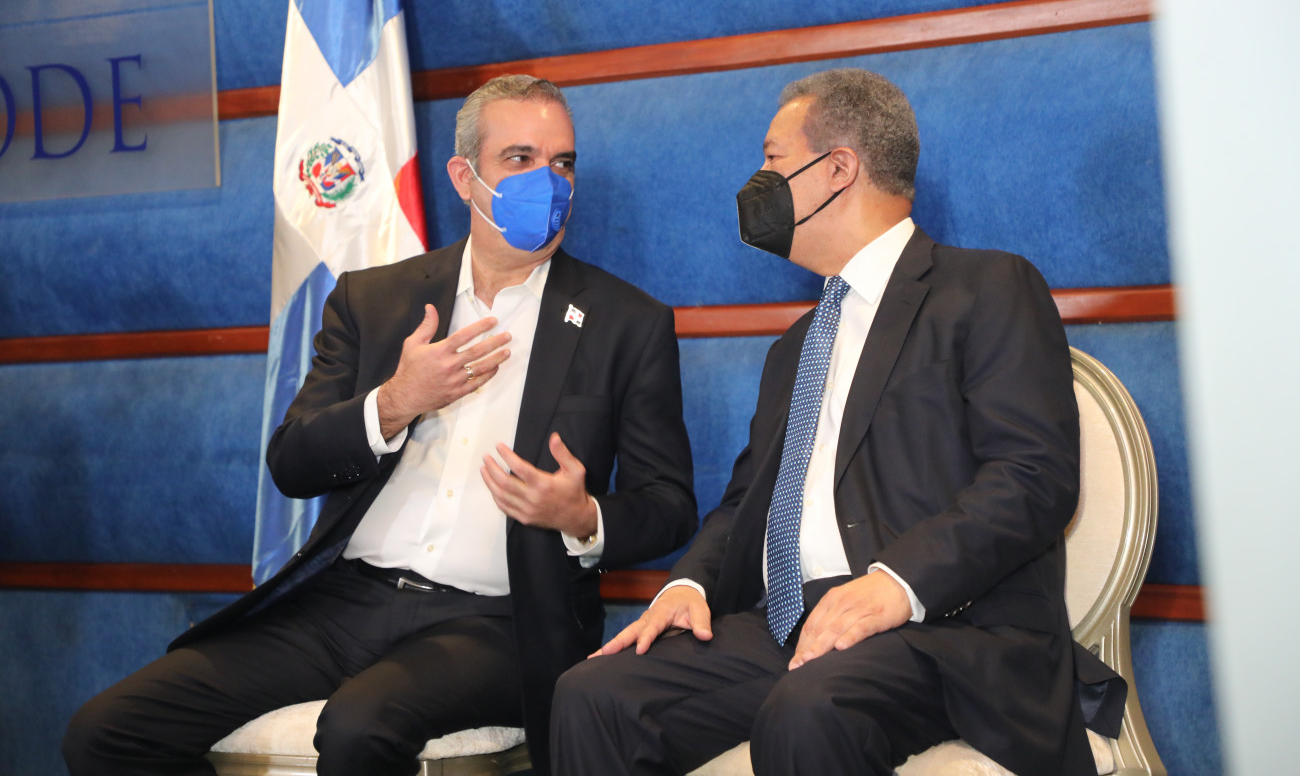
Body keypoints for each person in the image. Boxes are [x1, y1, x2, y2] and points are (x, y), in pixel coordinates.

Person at [62, 74, 696, 776]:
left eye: (562, 163)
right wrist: (394, 402)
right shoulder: (374, 300)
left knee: (358, 726)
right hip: (343, 600)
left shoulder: (626, 322)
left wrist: (582, 517)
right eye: (519, 158)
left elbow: (668, 506)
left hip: (500, 618)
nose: (548, 181)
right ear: (464, 177)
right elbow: (292, 462)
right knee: (107, 730)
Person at [551, 68, 1125, 776]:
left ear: (838, 169)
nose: (757, 182)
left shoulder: (987, 288)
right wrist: (689, 585)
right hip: (794, 625)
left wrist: (897, 582)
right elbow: (746, 503)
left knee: (810, 707)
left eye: (773, 159)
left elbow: (1033, 478)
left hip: (944, 627)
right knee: (594, 696)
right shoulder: (796, 345)